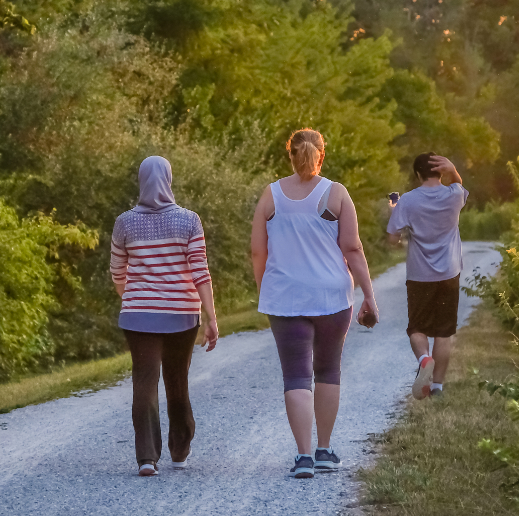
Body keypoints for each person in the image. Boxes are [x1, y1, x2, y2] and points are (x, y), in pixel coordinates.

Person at [251, 128, 380, 479]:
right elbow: (352, 248)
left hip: (285, 297)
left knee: (296, 375)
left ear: (290, 155)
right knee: (327, 370)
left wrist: (267, 287)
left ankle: (303, 456)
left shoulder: (271, 195)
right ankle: (324, 450)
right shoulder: (336, 194)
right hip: (331, 297)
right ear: (321, 154)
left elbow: (257, 251)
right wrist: (368, 294)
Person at [111, 156, 220, 477]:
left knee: (144, 382)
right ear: (169, 180)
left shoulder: (124, 223)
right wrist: (212, 317)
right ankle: (180, 449)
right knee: (177, 379)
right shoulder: (189, 221)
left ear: (141, 180)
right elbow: (200, 272)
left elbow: (118, 272)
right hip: (182, 314)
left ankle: (147, 457)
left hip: (137, 315)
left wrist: (133, 299)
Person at [386, 153, 467, 399]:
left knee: (417, 327)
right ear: (440, 172)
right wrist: (453, 169)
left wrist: (395, 210)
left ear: (417, 174)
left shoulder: (407, 201)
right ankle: (438, 387)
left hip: (420, 275)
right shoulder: (454, 195)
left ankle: (424, 359)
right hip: (449, 273)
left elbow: (392, 240)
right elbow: (460, 185)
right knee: (444, 332)